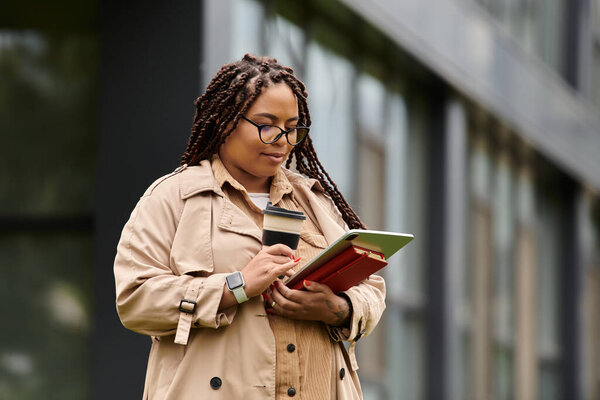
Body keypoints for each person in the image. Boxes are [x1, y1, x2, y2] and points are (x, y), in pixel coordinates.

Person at [113, 54, 386, 400]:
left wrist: (338, 309)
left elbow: (371, 287)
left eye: (291, 128)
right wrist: (235, 287)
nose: (282, 141)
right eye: (267, 125)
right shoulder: (173, 197)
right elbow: (135, 299)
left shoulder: (314, 200)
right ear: (226, 121)